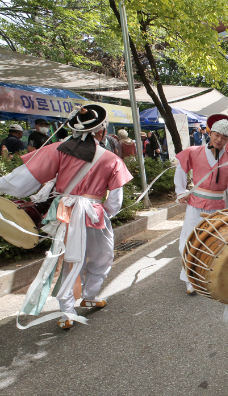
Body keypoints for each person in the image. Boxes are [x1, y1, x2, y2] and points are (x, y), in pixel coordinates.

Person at [0, 105, 132, 329]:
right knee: (101, 255)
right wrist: (105, 213)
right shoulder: (112, 160)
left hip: (65, 212)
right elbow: (114, 202)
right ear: (101, 130)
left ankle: (67, 310)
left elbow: (20, 182)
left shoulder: (56, 149)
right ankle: (86, 296)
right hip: (94, 214)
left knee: (69, 259)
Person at [175, 114, 228, 295]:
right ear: (210, 132)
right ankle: (189, 279)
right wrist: (180, 191)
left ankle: (205, 276)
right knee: (189, 241)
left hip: (217, 206)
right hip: (195, 203)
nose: (219, 140)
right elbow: (181, 167)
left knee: (213, 242)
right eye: (216, 135)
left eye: (224, 137)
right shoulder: (193, 152)